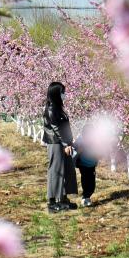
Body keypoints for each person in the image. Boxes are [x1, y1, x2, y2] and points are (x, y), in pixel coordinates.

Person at [42, 82, 78, 213]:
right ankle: (53, 201)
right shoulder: (51, 109)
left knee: (66, 170)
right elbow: (57, 129)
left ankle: (63, 198)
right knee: (56, 171)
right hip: (56, 144)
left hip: (63, 143)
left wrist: (70, 142)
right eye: (62, 92)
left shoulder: (58, 108)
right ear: (56, 93)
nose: (65, 95)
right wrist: (65, 144)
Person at [73, 130, 98, 207]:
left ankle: (88, 195)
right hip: (83, 164)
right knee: (85, 180)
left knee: (92, 182)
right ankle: (85, 197)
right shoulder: (80, 140)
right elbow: (74, 149)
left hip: (92, 164)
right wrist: (79, 150)